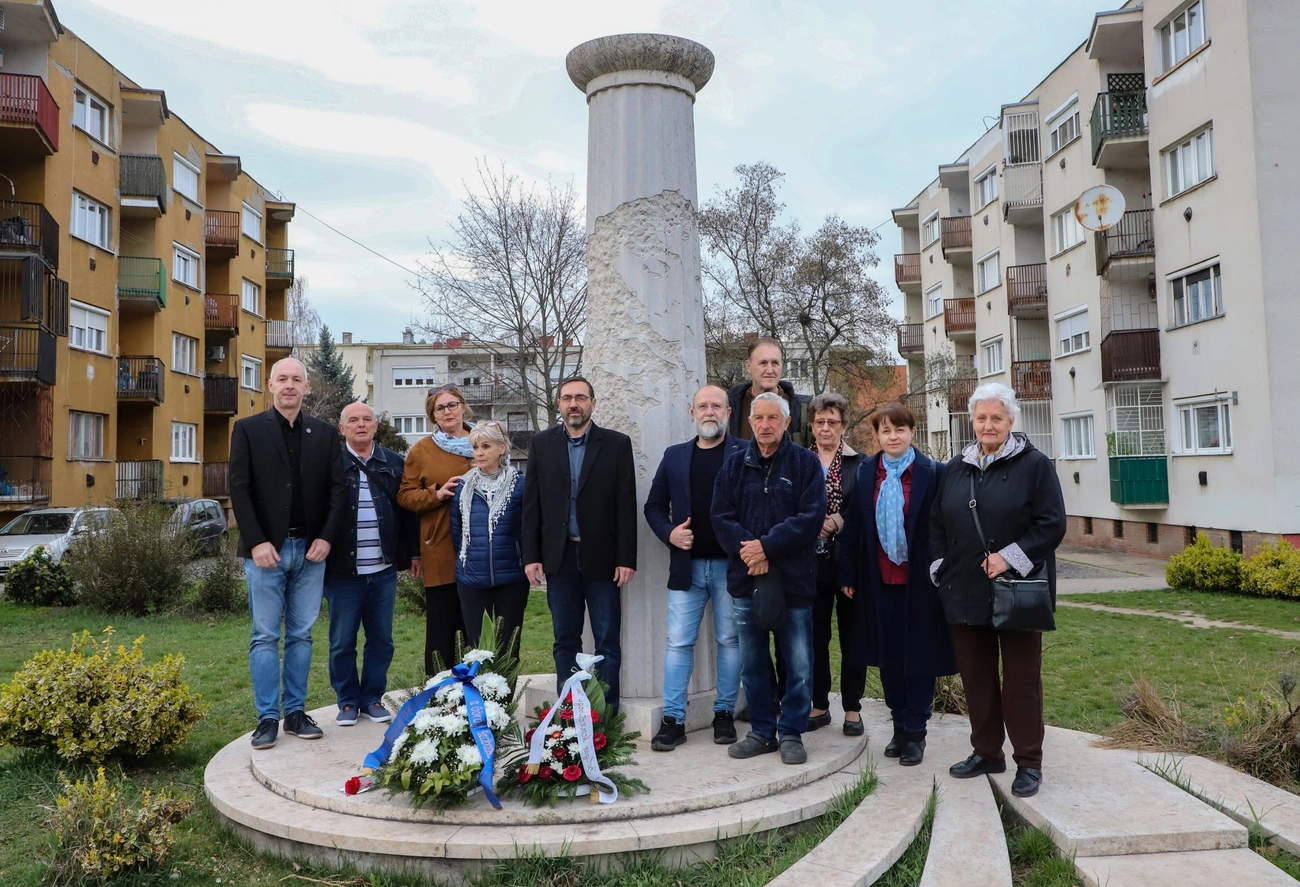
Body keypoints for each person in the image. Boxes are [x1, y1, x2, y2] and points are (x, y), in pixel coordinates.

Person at [929, 382, 1066, 798]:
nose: (988, 425)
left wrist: (1010, 557)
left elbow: (1051, 524)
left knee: (1021, 680)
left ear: (1011, 421)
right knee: (977, 677)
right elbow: (937, 522)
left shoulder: (1034, 465)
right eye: (981, 418)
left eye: (996, 418)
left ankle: (1028, 760)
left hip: (1017, 590)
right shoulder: (956, 467)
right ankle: (987, 751)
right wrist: (939, 567)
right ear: (972, 421)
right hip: (965, 589)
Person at [229, 357, 347, 749]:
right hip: (267, 552)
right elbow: (239, 489)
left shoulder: (326, 433)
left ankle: (295, 713)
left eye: (297, 379)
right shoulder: (247, 430)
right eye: (283, 379)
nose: (290, 385)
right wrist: (257, 540)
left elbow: (337, 491)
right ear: (270, 385)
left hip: (312, 551)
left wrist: (327, 537)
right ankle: (267, 718)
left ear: (307, 387)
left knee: (301, 635)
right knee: (264, 636)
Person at [839, 402, 956, 766]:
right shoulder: (865, 473)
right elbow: (855, 527)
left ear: (912, 433)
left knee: (918, 657)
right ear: (877, 435)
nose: (893, 436)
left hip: (920, 583)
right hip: (878, 581)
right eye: (886, 430)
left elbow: (944, 528)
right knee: (889, 658)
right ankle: (898, 727)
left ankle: (916, 733)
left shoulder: (932, 473)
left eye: (900, 429)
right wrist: (848, 574)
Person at [712, 392, 825, 765]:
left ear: (787, 422)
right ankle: (762, 732)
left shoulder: (806, 464)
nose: (764, 425)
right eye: (758, 418)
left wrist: (766, 547)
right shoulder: (732, 466)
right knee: (753, 663)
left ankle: (792, 732)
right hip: (746, 581)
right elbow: (721, 517)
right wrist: (751, 553)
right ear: (749, 421)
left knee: (799, 664)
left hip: (793, 582)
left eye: (772, 418)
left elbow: (809, 519)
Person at [522, 376, 637, 712]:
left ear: (593, 403)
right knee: (565, 641)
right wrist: (531, 556)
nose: (574, 404)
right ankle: (570, 711)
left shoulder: (616, 444)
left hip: (602, 558)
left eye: (581, 398)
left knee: (607, 641)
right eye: (567, 398)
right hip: (559, 558)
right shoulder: (542, 444)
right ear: (559, 404)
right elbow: (532, 505)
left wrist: (626, 557)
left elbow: (625, 504)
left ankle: (606, 716)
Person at [644, 385, 746, 750]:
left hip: (730, 569)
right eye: (702, 406)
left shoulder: (745, 453)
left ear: (728, 412)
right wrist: (670, 533)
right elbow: (653, 506)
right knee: (678, 644)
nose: (709, 412)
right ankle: (673, 720)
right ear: (692, 413)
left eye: (716, 406)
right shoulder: (674, 457)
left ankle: (723, 714)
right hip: (686, 569)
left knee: (730, 641)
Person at [324, 402, 421, 727]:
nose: (361, 425)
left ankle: (373, 697)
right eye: (353, 420)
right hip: (342, 571)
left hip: (382, 570)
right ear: (342, 428)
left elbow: (407, 513)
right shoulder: (329, 464)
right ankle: (348, 700)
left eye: (367, 419)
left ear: (376, 426)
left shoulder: (394, 463)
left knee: (381, 638)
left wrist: (413, 555)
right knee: (342, 640)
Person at [397, 384, 474, 676]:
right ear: (433, 416)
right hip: (441, 549)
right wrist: (436, 494)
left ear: (463, 406)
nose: (448, 412)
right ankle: (439, 697)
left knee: (476, 628)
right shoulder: (422, 450)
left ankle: (481, 694)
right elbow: (405, 496)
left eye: (452, 404)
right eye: (440, 408)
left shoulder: (486, 440)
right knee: (442, 628)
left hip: (482, 550)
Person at [804, 392, 867, 735]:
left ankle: (853, 708)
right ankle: (819, 703)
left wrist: (837, 521)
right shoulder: (800, 460)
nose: (826, 428)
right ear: (812, 425)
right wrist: (815, 521)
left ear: (844, 425)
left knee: (851, 636)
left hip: (848, 564)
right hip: (809, 563)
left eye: (833, 422)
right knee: (815, 636)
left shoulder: (861, 463)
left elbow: (864, 510)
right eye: (820, 422)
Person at [449, 421, 529, 667]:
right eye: (475, 447)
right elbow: (456, 532)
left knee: (508, 646)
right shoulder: (462, 486)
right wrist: (467, 564)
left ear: (502, 448)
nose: (479, 452)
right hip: (472, 579)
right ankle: (480, 705)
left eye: (486, 446)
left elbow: (526, 529)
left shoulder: (520, 484)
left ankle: (504, 704)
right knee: (476, 648)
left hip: (512, 579)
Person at [726, 337, 809, 445]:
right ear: (748, 366)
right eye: (763, 363)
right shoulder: (729, 407)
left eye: (775, 363)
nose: (770, 370)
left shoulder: (803, 409)